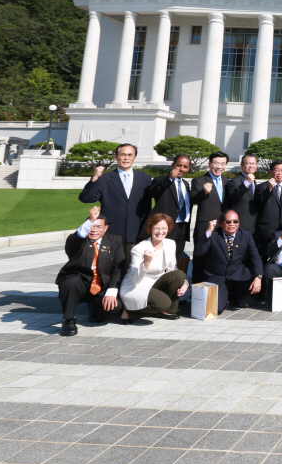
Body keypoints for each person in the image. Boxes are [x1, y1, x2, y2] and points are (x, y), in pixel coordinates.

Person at [55, 206, 125, 336]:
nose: (94, 230)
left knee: (114, 308)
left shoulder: (114, 241)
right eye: (92, 226)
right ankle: (68, 320)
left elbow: (118, 268)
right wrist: (90, 220)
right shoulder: (78, 240)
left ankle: (95, 310)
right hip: (79, 282)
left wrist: (111, 292)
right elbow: (75, 239)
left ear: (106, 228)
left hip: (101, 286)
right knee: (71, 282)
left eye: (99, 226)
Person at [78, 143, 152, 261]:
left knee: (133, 270)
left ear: (135, 157)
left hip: (136, 232)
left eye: (129, 155)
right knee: (110, 270)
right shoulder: (105, 178)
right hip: (112, 233)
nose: (126, 158)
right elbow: (86, 198)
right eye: (122, 155)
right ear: (116, 157)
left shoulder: (145, 178)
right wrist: (95, 178)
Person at [119, 213, 188, 323]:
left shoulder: (170, 244)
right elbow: (135, 279)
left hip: (155, 282)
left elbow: (172, 269)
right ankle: (129, 312)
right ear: (150, 229)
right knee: (163, 303)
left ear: (168, 229)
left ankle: (168, 310)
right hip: (136, 285)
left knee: (179, 274)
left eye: (164, 228)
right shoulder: (139, 248)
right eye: (157, 228)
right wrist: (146, 262)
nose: (160, 232)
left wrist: (185, 284)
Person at [193, 209, 263, 311]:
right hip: (218, 277)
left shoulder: (246, 235)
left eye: (235, 221)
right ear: (221, 223)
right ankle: (225, 298)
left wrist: (258, 277)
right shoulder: (213, 235)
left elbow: (255, 257)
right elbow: (199, 252)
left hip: (238, 276)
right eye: (228, 221)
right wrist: (208, 231)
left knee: (251, 282)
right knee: (216, 309)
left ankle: (237, 298)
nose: (232, 224)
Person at [190, 151, 229, 282]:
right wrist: (203, 192)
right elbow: (192, 199)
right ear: (209, 164)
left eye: (223, 164)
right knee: (201, 260)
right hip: (204, 227)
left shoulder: (226, 181)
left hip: (223, 227)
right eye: (216, 163)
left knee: (219, 259)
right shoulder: (199, 180)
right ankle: (197, 293)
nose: (219, 166)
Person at [145, 154, 192, 260]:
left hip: (182, 226)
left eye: (185, 167)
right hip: (167, 225)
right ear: (173, 165)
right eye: (179, 165)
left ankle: (172, 276)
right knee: (162, 256)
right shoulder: (161, 180)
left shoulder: (186, 184)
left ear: (188, 168)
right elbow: (153, 192)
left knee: (176, 257)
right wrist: (170, 178)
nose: (181, 169)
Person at [253, 160, 282, 256]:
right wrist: (269, 189)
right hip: (266, 231)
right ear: (271, 172)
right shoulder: (261, 187)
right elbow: (258, 204)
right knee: (264, 256)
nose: (280, 173)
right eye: (277, 170)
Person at [223, 154, 259, 234]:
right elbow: (233, 197)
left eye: (253, 164)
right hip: (241, 224)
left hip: (253, 224)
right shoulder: (234, 181)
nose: (251, 166)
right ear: (241, 165)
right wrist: (247, 182)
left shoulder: (254, 181)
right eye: (248, 163)